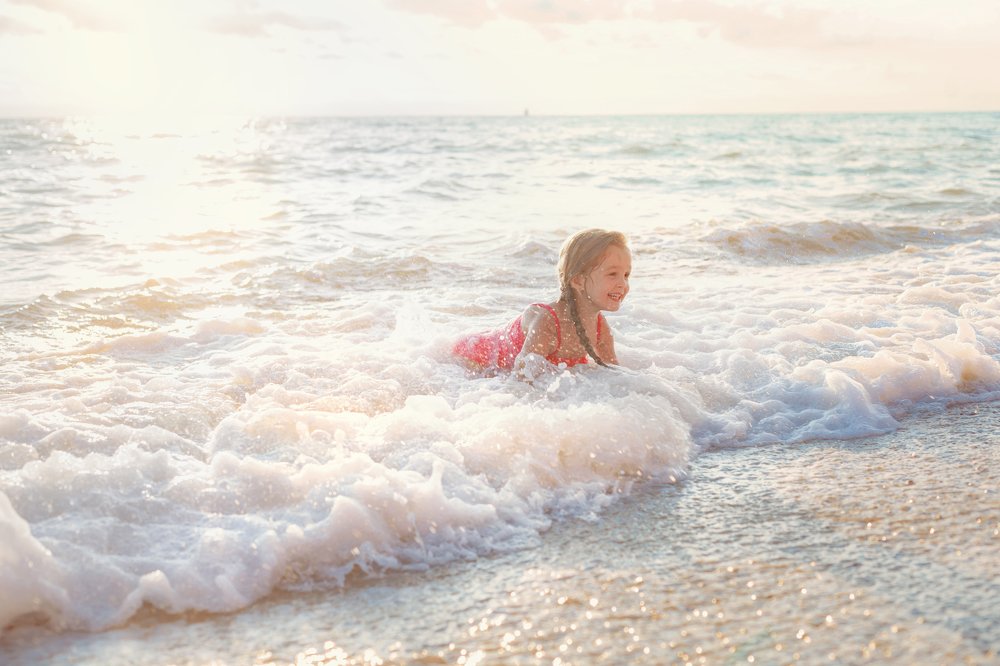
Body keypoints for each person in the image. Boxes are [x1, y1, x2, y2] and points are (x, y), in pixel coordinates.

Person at [452, 229, 631, 378]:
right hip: (476, 356)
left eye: (626, 275)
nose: (622, 284)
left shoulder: (599, 327)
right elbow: (521, 378)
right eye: (612, 274)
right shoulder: (548, 322)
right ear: (578, 281)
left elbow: (613, 373)